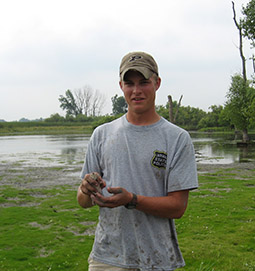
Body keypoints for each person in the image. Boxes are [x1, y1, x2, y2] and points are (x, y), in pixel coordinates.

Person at [77, 51, 198, 271]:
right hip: (107, 257)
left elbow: (178, 207)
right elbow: (83, 202)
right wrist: (86, 189)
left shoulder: (177, 138)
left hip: (157, 258)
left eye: (144, 82)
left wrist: (131, 199)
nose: (136, 91)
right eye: (129, 83)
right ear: (121, 85)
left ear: (157, 83)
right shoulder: (102, 134)